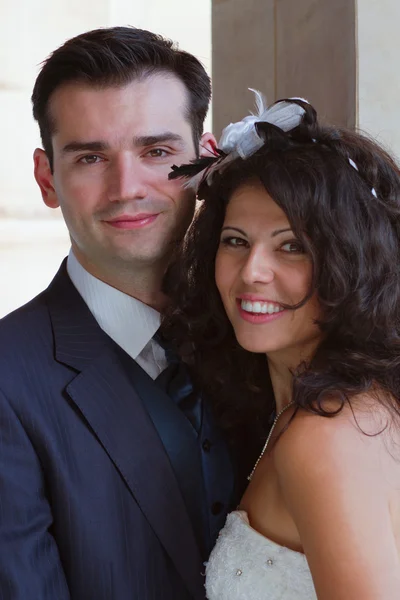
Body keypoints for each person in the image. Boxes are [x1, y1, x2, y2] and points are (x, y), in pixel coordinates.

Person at [0, 26, 265, 600]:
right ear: (48, 179)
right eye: (92, 157)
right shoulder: (7, 378)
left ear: (205, 160)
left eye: (158, 151)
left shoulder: (264, 331)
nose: (127, 187)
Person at [165, 92, 400, 599]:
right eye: (236, 241)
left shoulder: (324, 439)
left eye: (291, 246)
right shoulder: (336, 405)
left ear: (349, 263)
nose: (252, 272)